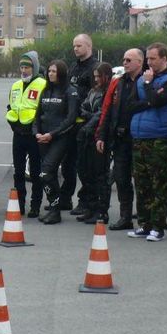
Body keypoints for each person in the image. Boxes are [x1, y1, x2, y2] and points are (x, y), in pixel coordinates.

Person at [127, 42, 167, 241]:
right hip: (139, 136)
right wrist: (148, 100)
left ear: (164, 59)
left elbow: (158, 102)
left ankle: (158, 226)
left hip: (159, 138)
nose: (149, 62)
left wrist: (148, 86)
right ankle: (144, 224)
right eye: (147, 58)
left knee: (158, 183)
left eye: (153, 59)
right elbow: (131, 105)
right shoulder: (144, 78)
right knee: (141, 183)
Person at [95, 48, 143, 230]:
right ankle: (125, 217)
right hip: (121, 138)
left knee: (142, 180)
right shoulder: (118, 82)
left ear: (140, 62)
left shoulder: (146, 81)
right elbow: (107, 110)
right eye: (124, 59)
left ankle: (146, 217)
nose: (125, 63)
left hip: (140, 138)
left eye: (129, 60)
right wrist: (101, 135)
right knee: (121, 179)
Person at [32, 60, 80, 224]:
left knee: (46, 171)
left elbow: (71, 118)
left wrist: (52, 134)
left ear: (61, 73)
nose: (51, 73)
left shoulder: (70, 91)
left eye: (54, 71)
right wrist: (36, 133)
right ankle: (54, 206)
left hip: (61, 138)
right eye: (50, 71)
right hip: (42, 138)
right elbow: (37, 115)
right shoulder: (45, 91)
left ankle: (56, 210)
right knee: (45, 175)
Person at [4, 51, 46, 218]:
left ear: (34, 68)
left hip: (34, 135)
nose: (24, 70)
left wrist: (37, 129)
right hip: (18, 134)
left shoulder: (42, 84)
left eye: (27, 67)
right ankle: (19, 204)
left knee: (36, 172)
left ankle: (35, 206)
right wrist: (13, 124)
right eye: (21, 66)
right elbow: (12, 108)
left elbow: (44, 111)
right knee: (18, 171)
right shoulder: (15, 85)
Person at [63, 34, 100, 214]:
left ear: (89, 46)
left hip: (86, 121)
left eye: (79, 46)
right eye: (74, 46)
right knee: (68, 163)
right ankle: (65, 198)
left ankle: (86, 201)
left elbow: (96, 94)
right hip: (71, 121)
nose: (75, 49)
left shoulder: (95, 68)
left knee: (85, 166)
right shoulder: (73, 67)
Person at [75, 62, 115, 224]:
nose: (97, 79)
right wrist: (88, 115)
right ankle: (90, 208)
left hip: (99, 136)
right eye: (95, 76)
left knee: (100, 175)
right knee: (86, 173)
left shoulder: (109, 92)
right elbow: (83, 109)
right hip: (87, 136)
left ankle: (101, 211)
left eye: (100, 76)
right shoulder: (93, 91)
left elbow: (102, 114)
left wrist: (88, 117)